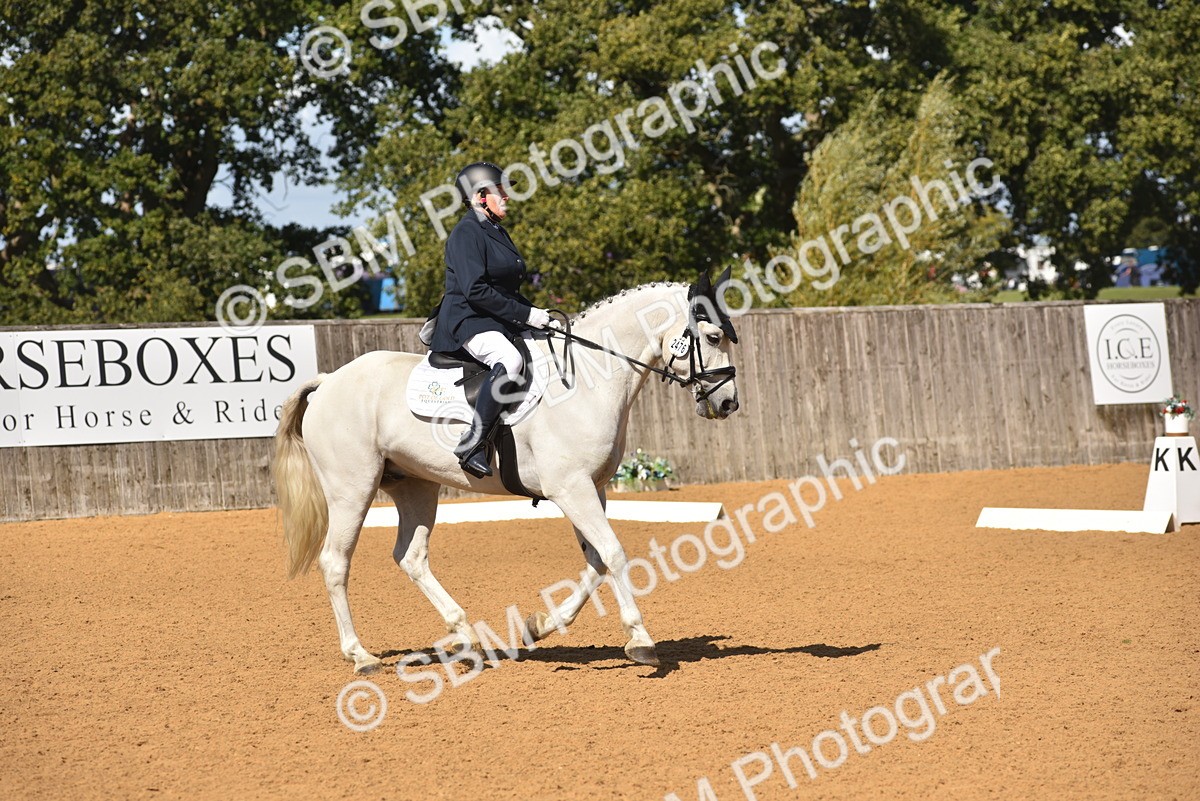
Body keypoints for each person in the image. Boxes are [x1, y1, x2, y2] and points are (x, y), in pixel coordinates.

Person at [428, 161, 555, 478]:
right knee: (510, 360)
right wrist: (526, 314)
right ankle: (472, 443)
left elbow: (504, 288)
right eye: (502, 191)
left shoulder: (496, 231)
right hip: (468, 320)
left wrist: (539, 316)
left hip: (496, 318)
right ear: (480, 196)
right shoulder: (466, 233)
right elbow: (476, 290)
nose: (507, 197)